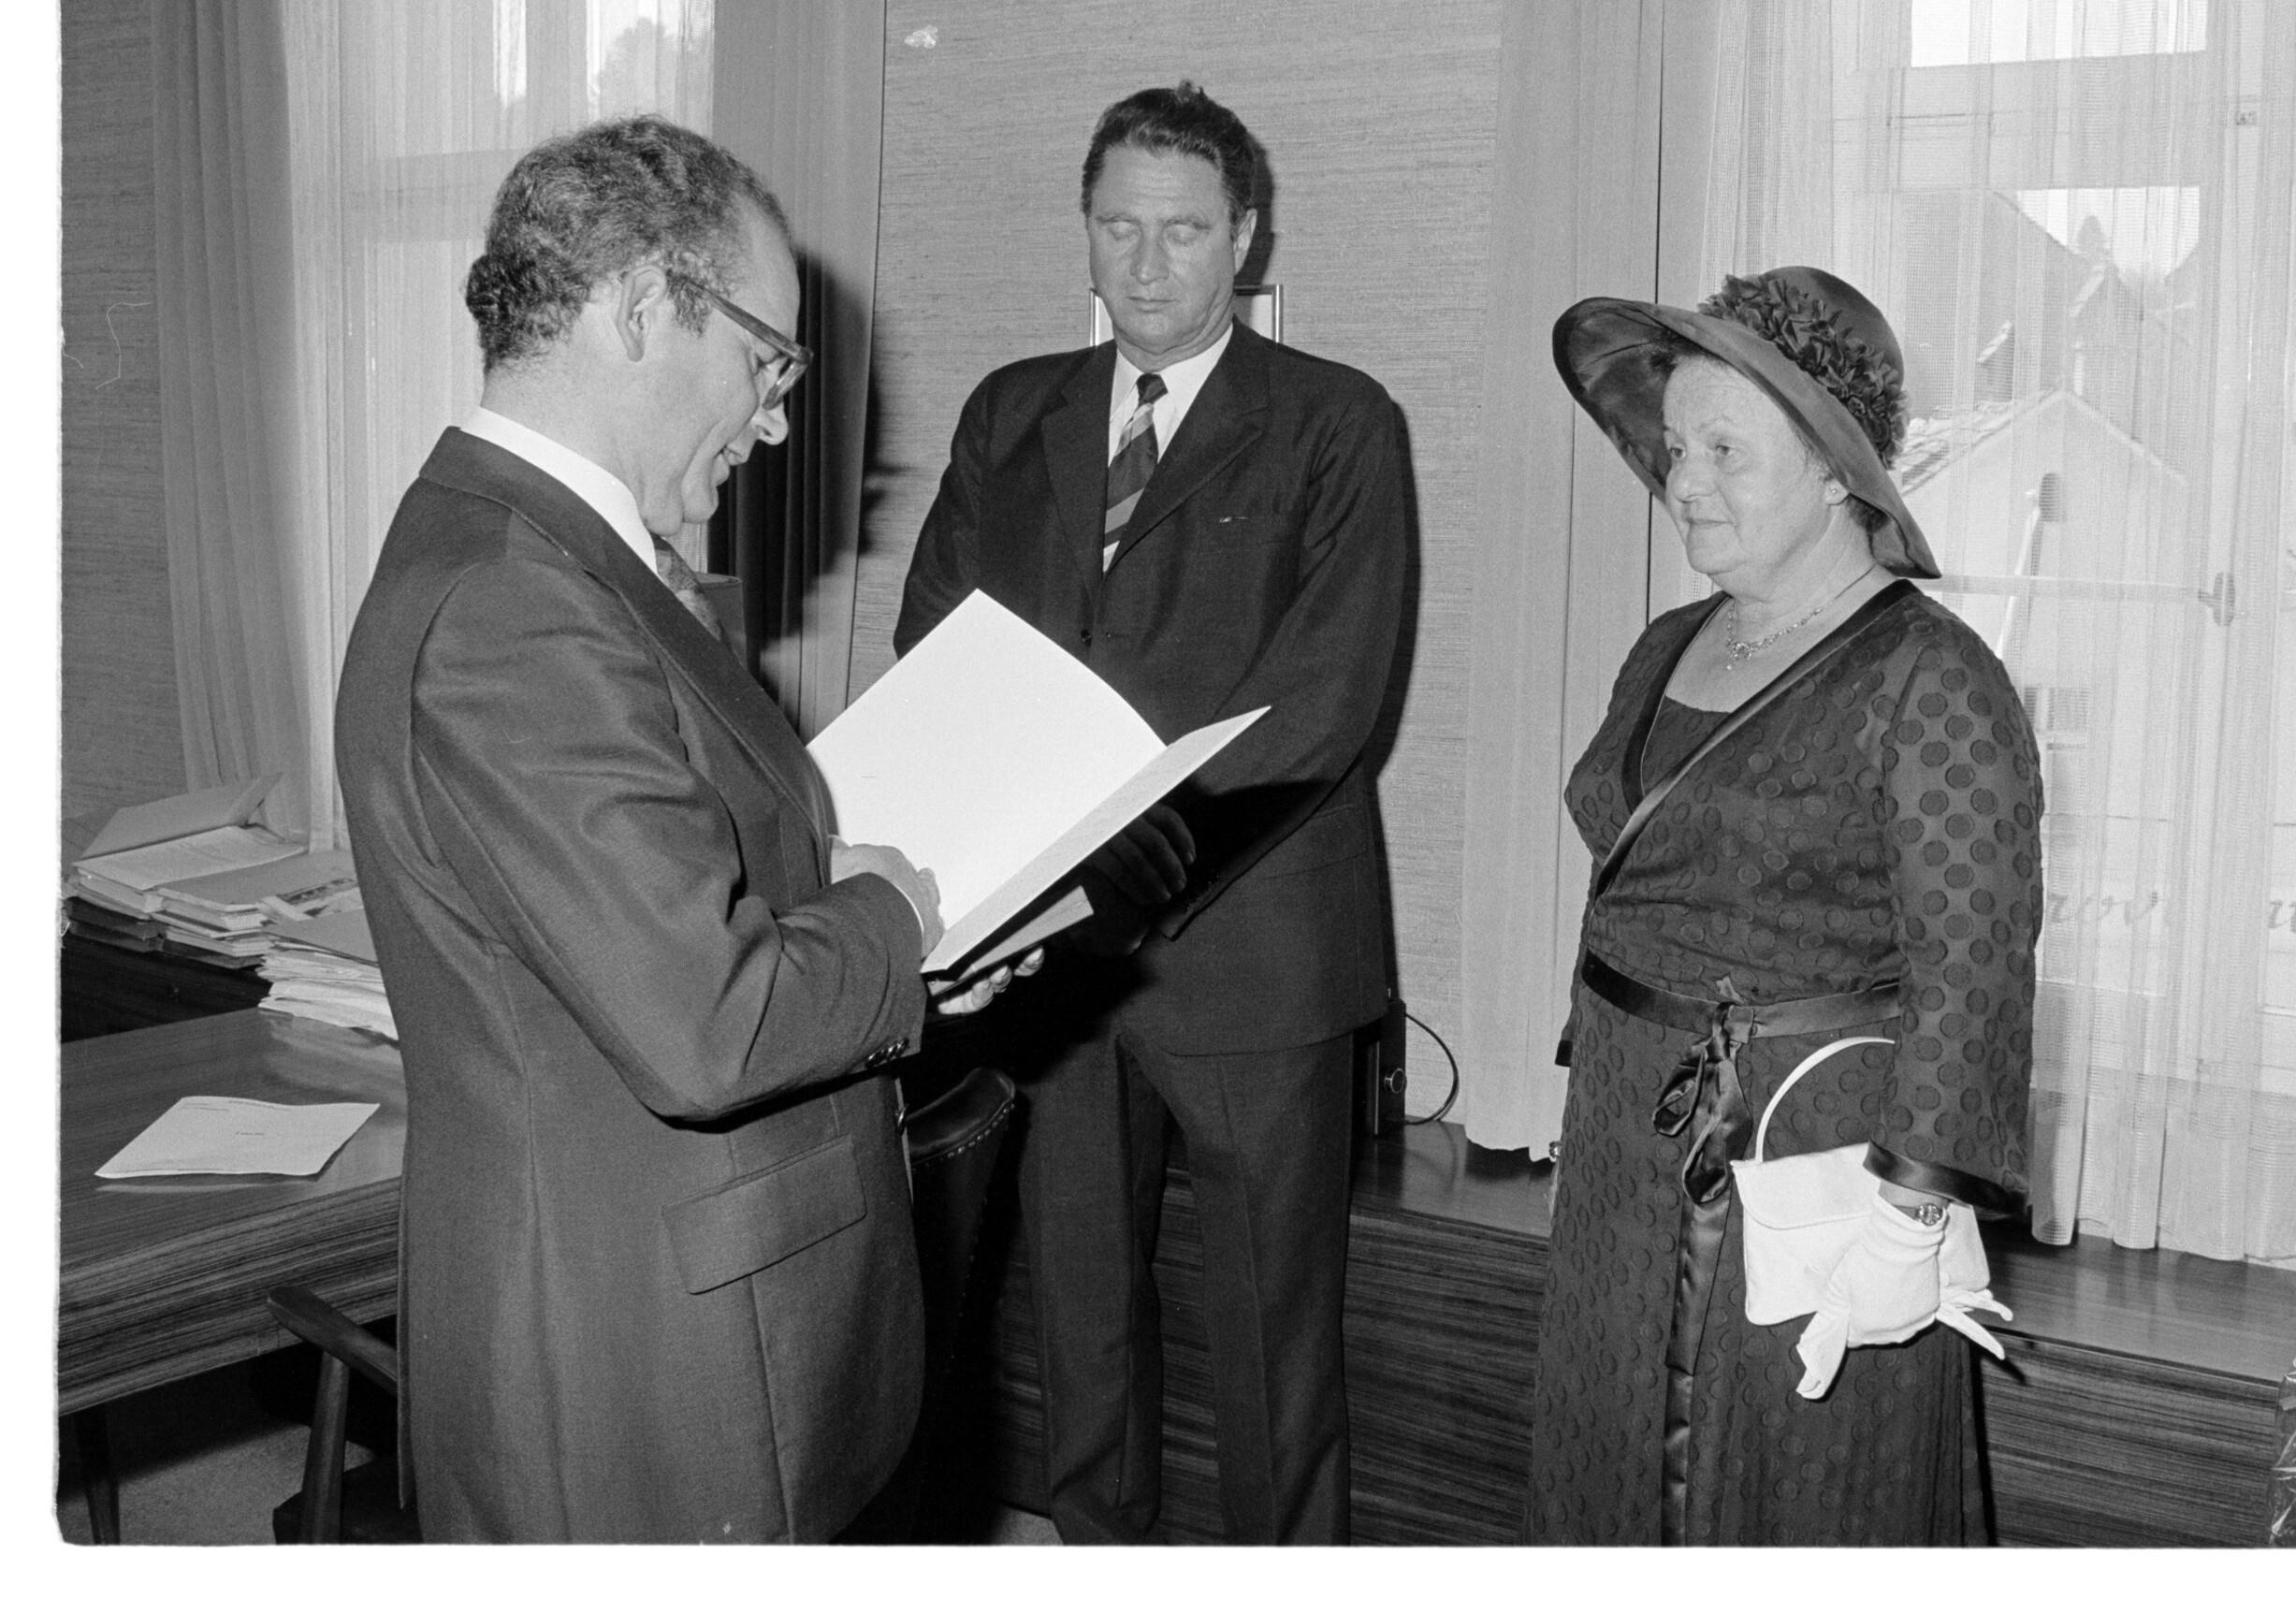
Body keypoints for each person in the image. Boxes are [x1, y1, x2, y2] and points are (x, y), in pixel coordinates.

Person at [334, 116, 1021, 1542]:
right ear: (646, 304)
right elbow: (706, 1021)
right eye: (769, 362)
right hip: (642, 1373)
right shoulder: (514, 605)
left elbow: (666, 886)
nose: (776, 421)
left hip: (702, 1310)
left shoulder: (562, 558)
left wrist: (868, 903)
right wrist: (896, 919)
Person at [895, 80, 1410, 1543]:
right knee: (1079, 1329)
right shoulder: (1013, 412)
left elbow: (1326, 701)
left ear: (1245, 239)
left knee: (1272, 1344)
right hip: (1055, 958)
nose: (1147, 262)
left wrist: (1116, 864)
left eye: (1183, 231)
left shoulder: (1337, 423)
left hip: (1251, 950)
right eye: (1119, 227)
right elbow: (939, 643)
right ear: (1087, 228)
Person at [1528, 266, 2042, 1545]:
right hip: (1628, 1144)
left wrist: (1911, 1217)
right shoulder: (1668, 643)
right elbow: (1635, 886)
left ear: (1833, 470)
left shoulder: (1933, 682)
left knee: (1780, 1495)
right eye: (1673, 447)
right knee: (1608, 1463)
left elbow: (1972, 975)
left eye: (1725, 450)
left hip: (1806, 1165)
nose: (1683, 481)